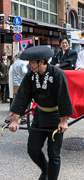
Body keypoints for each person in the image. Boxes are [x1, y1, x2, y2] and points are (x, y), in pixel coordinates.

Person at [8, 46, 73, 180]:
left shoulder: (57, 74)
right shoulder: (31, 76)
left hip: (55, 117)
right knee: (33, 149)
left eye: (32, 62)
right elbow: (22, 97)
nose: (29, 65)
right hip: (40, 115)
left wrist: (63, 121)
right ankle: (46, 170)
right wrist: (15, 120)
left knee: (53, 154)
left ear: (41, 62)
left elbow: (63, 98)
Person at [5, 53, 28, 124]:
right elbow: (25, 72)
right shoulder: (23, 63)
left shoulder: (15, 63)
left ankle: (24, 118)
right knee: (19, 102)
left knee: (19, 101)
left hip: (15, 85)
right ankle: (9, 118)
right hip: (22, 84)